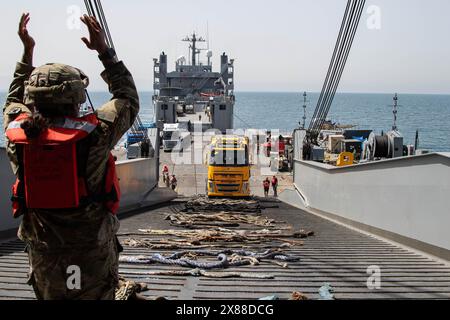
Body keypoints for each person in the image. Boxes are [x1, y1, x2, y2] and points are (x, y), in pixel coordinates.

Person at [3, 13, 139, 299]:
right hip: (90, 252)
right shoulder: (96, 134)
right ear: (77, 97)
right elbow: (127, 98)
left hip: (44, 254)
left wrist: (27, 53)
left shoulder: (19, 137)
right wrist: (104, 52)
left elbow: (12, 102)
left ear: (33, 99)